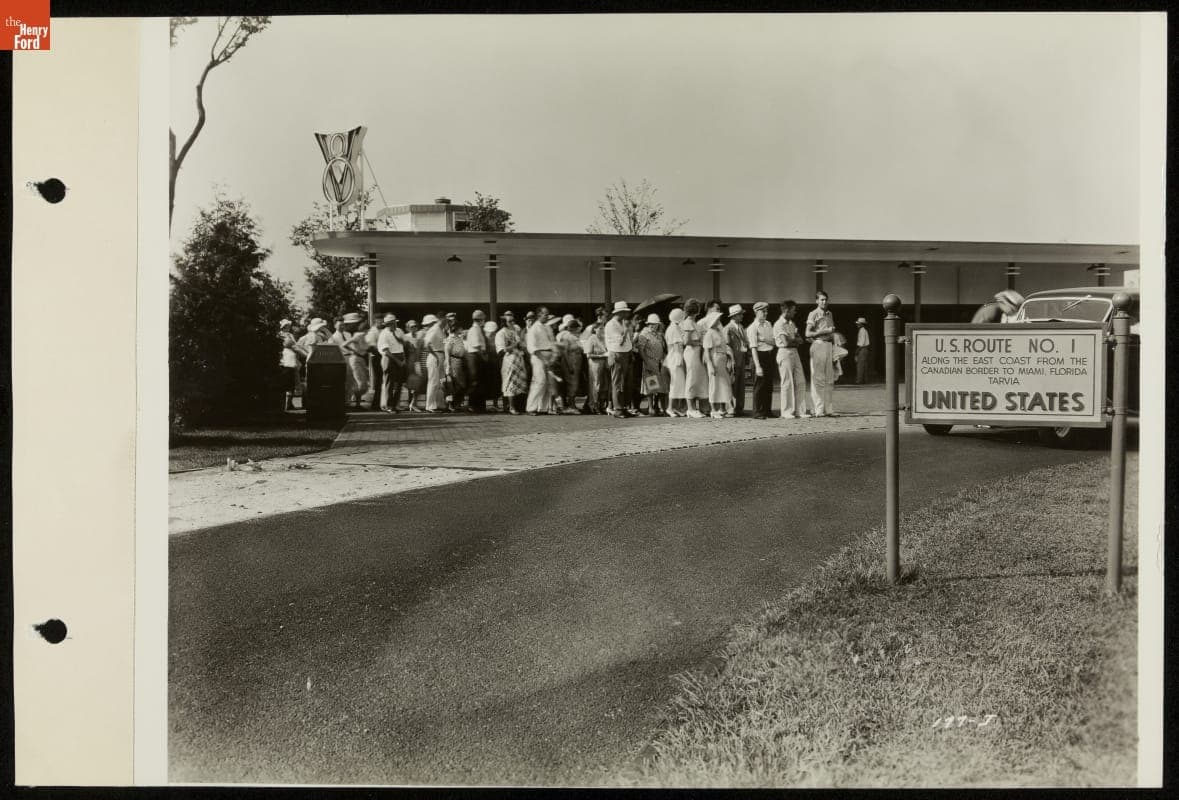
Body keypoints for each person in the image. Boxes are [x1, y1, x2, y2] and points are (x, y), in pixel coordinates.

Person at [774, 300, 810, 418]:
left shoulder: (791, 324)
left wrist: (793, 340)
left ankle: (800, 410)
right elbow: (786, 342)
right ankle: (786, 411)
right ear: (786, 310)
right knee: (787, 382)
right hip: (784, 353)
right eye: (793, 310)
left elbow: (800, 340)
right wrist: (794, 341)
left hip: (795, 353)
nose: (795, 313)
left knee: (800, 381)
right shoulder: (779, 324)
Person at [806, 290, 838, 416]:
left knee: (829, 379)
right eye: (821, 299)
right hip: (818, 344)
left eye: (825, 299)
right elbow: (807, 333)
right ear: (817, 301)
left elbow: (831, 332)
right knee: (818, 378)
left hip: (829, 346)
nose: (824, 302)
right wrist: (824, 331)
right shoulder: (813, 314)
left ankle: (828, 408)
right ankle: (818, 409)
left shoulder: (830, 314)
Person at [604, 300, 636, 419]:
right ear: (620, 312)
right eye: (624, 312)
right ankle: (617, 408)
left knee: (626, 381)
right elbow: (620, 341)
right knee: (617, 382)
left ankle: (623, 407)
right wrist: (627, 329)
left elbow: (627, 342)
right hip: (616, 353)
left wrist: (630, 353)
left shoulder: (622, 323)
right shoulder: (611, 325)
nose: (626, 314)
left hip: (625, 353)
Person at [746, 301, 776, 419]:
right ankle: (757, 411)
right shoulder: (752, 328)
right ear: (756, 312)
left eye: (766, 311)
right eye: (763, 311)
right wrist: (757, 366)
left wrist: (763, 339)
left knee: (769, 385)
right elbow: (753, 348)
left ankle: (767, 410)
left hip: (769, 355)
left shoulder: (768, 324)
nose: (765, 313)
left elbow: (774, 341)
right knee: (759, 385)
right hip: (759, 356)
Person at [702, 309, 734, 418]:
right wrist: (710, 365)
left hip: (722, 360)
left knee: (724, 384)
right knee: (714, 385)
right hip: (715, 359)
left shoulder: (719, 332)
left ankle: (722, 408)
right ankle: (713, 410)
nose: (719, 320)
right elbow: (706, 351)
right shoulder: (709, 334)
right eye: (717, 319)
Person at [525, 306, 557, 415]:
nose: (547, 316)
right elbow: (532, 347)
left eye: (548, 314)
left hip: (549, 355)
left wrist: (552, 357)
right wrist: (544, 359)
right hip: (538, 356)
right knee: (539, 381)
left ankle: (543, 408)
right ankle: (531, 408)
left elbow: (552, 343)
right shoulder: (534, 329)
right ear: (539, 315)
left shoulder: (547, 328)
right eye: (545, 314)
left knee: (548, 383)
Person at [635, 313, 669, 416]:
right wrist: (647, 362)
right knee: (651, 386)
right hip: (649, 362)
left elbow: (663, 348)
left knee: (660, 387)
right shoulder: (644, 334)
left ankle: (656, 406)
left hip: (659, 362)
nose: (652, 326)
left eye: (654, 324)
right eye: (650, 324)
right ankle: (650, 408)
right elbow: (641, 350)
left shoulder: (659, 335)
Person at [681, 298, 709, 418]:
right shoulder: (688, 322)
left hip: (698, 353)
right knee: (692, 379)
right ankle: (691, 409)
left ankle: (700, 407)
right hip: (692, 353)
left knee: (700, 379)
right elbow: (686, 341)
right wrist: (699, 343)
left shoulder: (695, 324)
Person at [496, 316, 528, 414]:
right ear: (505, 322)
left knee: (521, 383)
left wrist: (522, 346)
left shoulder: (514, 332)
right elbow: (501, 350)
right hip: (509, 360)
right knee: (510, 383)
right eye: (510, 321)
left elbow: (521, 345)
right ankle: (511, 407)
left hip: (519, 360)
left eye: (513, 320)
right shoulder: (501, 333)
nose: (512, 322)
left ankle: (519, 406)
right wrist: (515, 345)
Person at [340, 312, 370, 408]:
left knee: (360, 381)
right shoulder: (358, 335)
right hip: (355, 358)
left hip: (360, 359)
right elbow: (344, 344)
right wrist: (355, 351)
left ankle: (357, 403)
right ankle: (349, 401)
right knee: (359, 382)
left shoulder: (360, 335)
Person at [377, 313, 407, 412]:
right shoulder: (384, 334)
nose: (394, 325)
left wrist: (403, 359)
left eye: (394, 322)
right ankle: (389, 406)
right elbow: (386, 351)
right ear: (387, 324)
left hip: (400, 357)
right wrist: (398, 361)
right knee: (389, 383)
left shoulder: (399, 331)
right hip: (389, 358)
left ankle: (395, 404)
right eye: (391, 323)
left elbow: (404, 343)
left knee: (399, 383)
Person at [724, 304, 749, 416]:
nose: (742, 316)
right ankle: (730, 408)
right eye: (739, 314)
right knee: (731, 384)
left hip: (741, 358)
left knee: (740, 384)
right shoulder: (728, 328)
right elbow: (727, 345)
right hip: (733, 359)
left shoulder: (741, 327)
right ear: (733, 316)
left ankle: (739, 407)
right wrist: (732, 359)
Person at [420, 313, 449, 413]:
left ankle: (440, 404)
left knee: (440, 382)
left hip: (440, 355)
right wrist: (435, 355)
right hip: (435, 356)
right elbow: (426, 344)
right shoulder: (434, 329)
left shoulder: (441, 330)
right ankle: (430, 406)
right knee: (433, 382)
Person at [582, 312, 610, 414]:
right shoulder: (592, 339)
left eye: (603, 328)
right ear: (595, 329)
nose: (602, 330)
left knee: (603, 385)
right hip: (594, 364)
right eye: (600, 329)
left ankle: (600, 405)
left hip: (603, 364)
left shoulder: (603, 339)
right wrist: (602, 355)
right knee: (595, 385)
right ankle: (593, 405)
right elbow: (588, 354)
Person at [464, 309, 491, 412]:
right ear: (480, 320)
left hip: (477, 356)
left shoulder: (478, 329)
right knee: (475, 381)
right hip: (475, 356)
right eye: (483, 319)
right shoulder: (475, 330)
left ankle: (479, 406)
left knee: (479, 382)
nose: (483, 321)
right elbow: (477, 346)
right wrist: (484, 356)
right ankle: (472, 405)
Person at [556, 316, 585, 414]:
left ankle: (571, 405)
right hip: (570, 362)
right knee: (572, 384)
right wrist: (569, 366)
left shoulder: (574, 337)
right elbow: (565, 353)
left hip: (576, 362)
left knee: (574, 384)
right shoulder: (566, 337)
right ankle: (571, 405)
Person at [279, 319, 308, 412]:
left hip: (293, 359)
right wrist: (306, 355)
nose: (288, 327)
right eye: (286, 326)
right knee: (288, 381)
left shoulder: (290, 335)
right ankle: (287, 404)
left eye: (288, 326)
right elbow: (293, 346)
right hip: (287, 359)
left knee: (293, 381)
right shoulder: (281, 335)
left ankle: (290, 403)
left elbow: (296, 346)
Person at [664, 308, 688, 417]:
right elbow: (677, 346)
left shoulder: (674, 327)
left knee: (679, 384)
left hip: (674, 357)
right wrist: (681, 360)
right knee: (675, 384)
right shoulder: (673, 329)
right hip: (676, 358)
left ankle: (676, 407)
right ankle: (669, 408)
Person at [444, 320, 467, 412]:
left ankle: (456, 403)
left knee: (460, 384)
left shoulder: (459, 337)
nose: (462, 329)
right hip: (453, 361)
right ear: (456, 328)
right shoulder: (450, 339)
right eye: (460, 328)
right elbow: (447, 352)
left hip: (459, 361)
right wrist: (448, 366)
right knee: (452, 384)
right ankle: (451, 404)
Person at [365, 315, 385, 411]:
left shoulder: (383, 330)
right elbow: (370, 347)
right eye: (379, 321)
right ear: (375, 321)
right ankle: (376, 404)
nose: (381, 323)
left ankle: (382, 403)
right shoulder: (372, 332)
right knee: (379, 381)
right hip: (377, 357)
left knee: (384, 381)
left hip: (384, 356)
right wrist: (381, 352)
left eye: (382, 321)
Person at [854, 317, 871, 384]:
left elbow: (861, 343)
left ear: (861, 324)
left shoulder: (862, 331)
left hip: (862, 349)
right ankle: (864, 380)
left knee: (860, 365)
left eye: (859, 324)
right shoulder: (864, 330)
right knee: (864, 365)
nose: (857, 325)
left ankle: (859, 380)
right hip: (865, 349)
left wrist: (856, 352)